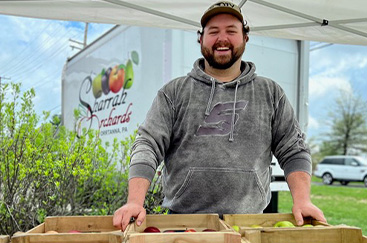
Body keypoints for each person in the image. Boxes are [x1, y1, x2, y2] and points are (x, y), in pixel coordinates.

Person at [113, 1, 326, 231]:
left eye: (231, 31)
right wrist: (134, 202)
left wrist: (303, 201)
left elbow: (293, 149)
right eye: (213, 32)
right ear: (200, 38)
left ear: (245, 37)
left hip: (250, 224)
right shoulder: (174, 92)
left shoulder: (270, 93)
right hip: (182, 224)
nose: (221, 39)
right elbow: (148, 144)